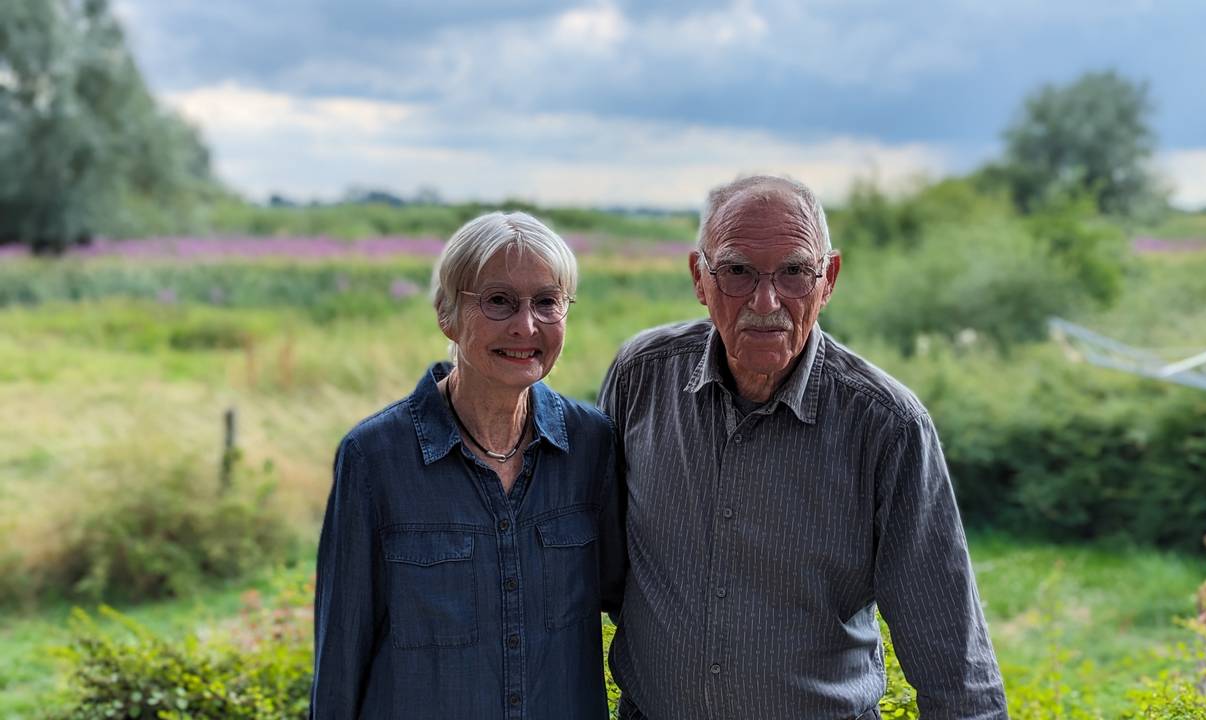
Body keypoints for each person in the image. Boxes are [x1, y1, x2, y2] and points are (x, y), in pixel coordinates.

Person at [599, 176, 1007, 719]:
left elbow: (951, 654)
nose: (766, 302)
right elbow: (591, 555)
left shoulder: (886, 425)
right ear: (700, 277)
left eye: (794, 271)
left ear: (828, 278)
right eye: (738, 271)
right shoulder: (642, 377)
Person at [311, 212, 625, 719]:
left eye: (547, 302)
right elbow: (341, 655)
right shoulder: (374, 458)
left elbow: (638, 605)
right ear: (447, 314)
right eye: (499, 301)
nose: (526, 326)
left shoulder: (592, 445)